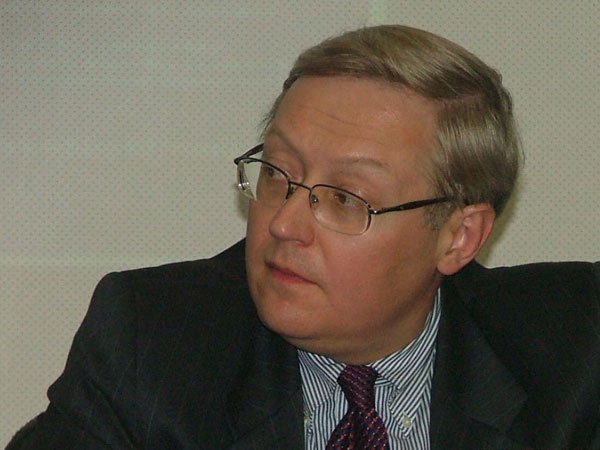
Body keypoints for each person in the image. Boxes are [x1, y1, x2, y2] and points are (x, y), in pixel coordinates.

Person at [8, 25, 599, 450]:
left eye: (345, 198)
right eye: (277, 175)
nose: (284, 224)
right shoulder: (155, 341)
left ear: (459, 237)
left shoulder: (577, 353)